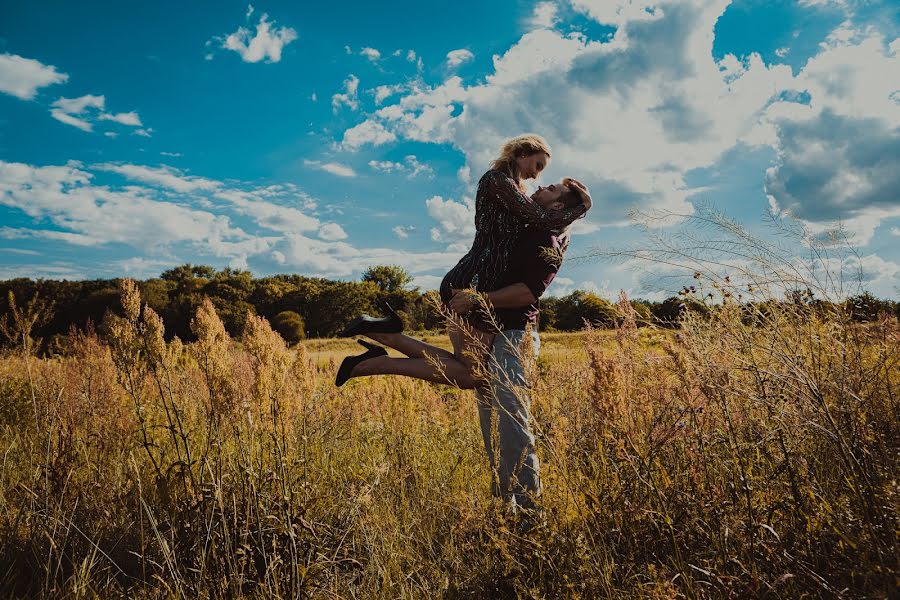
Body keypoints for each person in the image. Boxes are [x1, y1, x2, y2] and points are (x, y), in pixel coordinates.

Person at [336, 134, 591, 387]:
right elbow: (545, 220)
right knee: (472, 375)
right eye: (537, 166)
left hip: (473, 280)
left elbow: (549, 226)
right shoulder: (497, 181)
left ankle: (382, 336)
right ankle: (372, 360)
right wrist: (583, 206)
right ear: (521, 154)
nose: (537, 176)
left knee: (467, 368)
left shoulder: (516, 191)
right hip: (473, 282)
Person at [447, 187, 575, 513]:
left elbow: (528, 292)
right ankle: (507, 512)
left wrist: (478, 299)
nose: (541, 186)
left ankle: (530, 515)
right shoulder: (524, 230)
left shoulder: (546, 241)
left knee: (513, 424)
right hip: (492, 334)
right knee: (492, 427)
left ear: (558, 204)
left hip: (515, 338)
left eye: (551, 188)